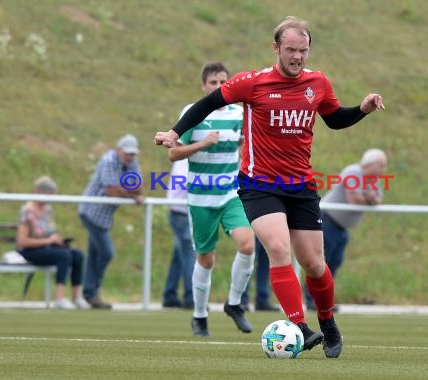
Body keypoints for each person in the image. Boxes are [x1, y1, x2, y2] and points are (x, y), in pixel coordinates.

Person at [154, 16, 385, 358]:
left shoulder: (318, 83)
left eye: (303, 51)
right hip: (259, 184)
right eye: (291, 49)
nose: (297, 57)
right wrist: (174, 132)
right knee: (278, 249)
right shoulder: (253, 82)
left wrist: (362, 110)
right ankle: (300, 327)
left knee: (314, 264)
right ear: (276, 48)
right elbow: (208, 103)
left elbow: (335, 118)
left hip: (301, 185)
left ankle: (328, 323)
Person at [167, 62, 255, 336]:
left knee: (248, 244)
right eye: (213, 83)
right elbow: (174, 154)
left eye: (223, 82)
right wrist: (203, 143)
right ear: (204, 85)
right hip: (201, 197)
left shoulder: (238, 113)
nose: (218, 87)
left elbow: (246, 144)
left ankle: (234, 303)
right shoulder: (192, 114)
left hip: (230, 194)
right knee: (206, 260)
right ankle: (200, 316)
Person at [305, 148, 387, 310]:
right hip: (328, 221)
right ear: (371, 164)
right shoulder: (354, 172)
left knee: (334, 262)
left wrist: (371, 199)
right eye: (381, 165)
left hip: (341, 227)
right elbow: (354, 199)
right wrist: (369, 198)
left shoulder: (373, 179)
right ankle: (311, 300)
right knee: (319, 263)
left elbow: (378, 199)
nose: (383, 170)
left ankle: (323, 300)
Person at [78, 134, 144, 309]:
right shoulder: (108, 161)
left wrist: (128, 190)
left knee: (95, 255)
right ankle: (93, 289)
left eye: (132, 154)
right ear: (118, 150)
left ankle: (91, 293)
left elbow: (139, 187)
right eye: (127, 153)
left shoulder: (132, 163)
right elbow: (111, 191)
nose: (130, 157)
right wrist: (130, 192)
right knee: (106, 253)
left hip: (104, 216)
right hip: (91, 212)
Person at [16, 176, 87, 310]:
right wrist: (48, 240)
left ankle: (77, 297)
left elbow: (49, 231)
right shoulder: (27, 211)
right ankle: (59, 298)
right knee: (64, 255)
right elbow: (23, 241)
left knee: (77, 255)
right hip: (30, 250)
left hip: (47, 247)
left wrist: (56, 240)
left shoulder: (47, 210)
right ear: (38, 192)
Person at [162, 158, 196, 309]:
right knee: (189, 253)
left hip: (182, 211)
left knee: (179, 255)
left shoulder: (185, 157)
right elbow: (184, 183)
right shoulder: (185, 159)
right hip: (181, 212)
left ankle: (169, 294)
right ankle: (191, 297)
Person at [241, 238, 280, 311]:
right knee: (248, 260)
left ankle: (262, 300)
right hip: (252, 228)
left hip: (269, 228)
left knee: (265, 260)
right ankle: (241, 300)